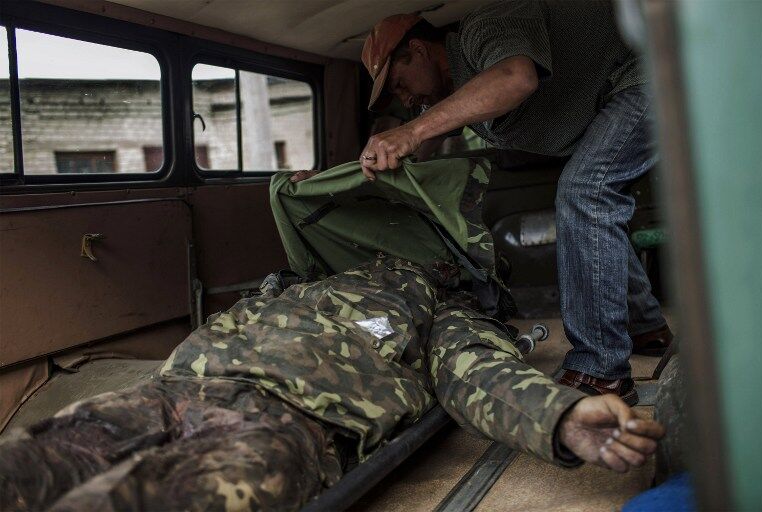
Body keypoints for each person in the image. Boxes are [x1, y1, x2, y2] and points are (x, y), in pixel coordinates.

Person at [0, 257, 664, 512]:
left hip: (293, 424)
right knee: (31, 457)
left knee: (141, 500)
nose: (395, 264)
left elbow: (480, 376)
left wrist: (561, 417)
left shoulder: (444, 315)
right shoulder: (301, 287)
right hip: (183, 387)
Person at [353, 1, 673, 405]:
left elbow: (515, 77)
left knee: (585, 193)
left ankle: (601, 372)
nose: (405, 98)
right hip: (610, 98)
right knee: (587, 201)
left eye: (400, 84)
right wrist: (350, 172)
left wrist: (412, 131)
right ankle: (645, 326)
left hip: (648, 73)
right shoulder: (460, 102)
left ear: (418, 50)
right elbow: (414, 151)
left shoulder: (482, 29)